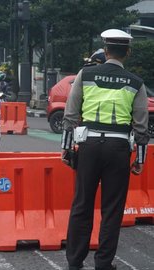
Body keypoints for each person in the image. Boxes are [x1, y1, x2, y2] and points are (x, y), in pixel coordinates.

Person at [61, 29, 149, 270]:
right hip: (118, 149)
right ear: (127, 52)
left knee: (82, 204)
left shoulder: (85, 74)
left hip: (88, 146)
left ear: (105, 50)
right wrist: (140, 159)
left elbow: (70, 114)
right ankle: (103, 263)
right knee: (112, 209)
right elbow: (142, 126)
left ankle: (74, 262)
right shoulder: (136, 83)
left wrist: (67, 149)